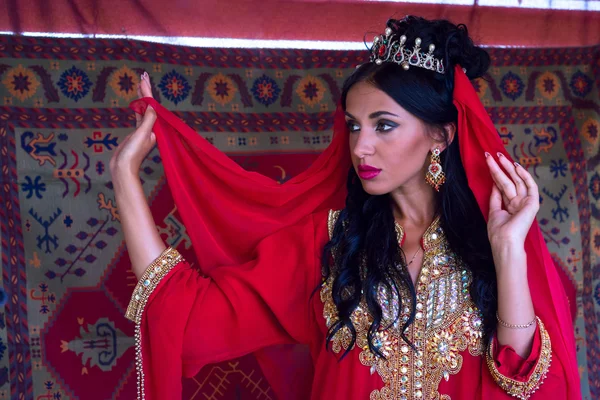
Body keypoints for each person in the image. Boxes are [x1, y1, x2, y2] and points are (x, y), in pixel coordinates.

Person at [110, 16, 580, 400]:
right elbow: (191, 318)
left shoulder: (492, 243)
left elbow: (530, 384)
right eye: (355, 127)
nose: (362, 148)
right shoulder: (330, 244)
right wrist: (125, 177)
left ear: (441, 135)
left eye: (384, 126)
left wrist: (507, 250)